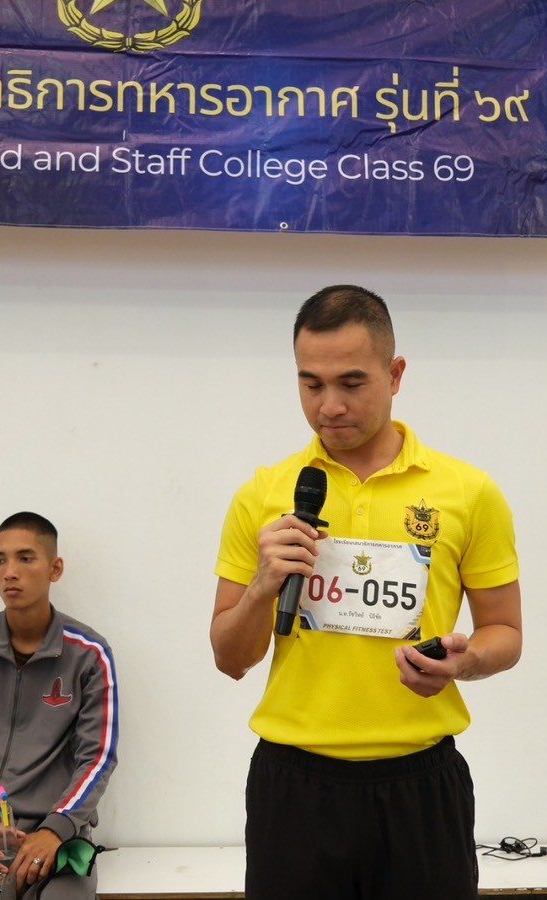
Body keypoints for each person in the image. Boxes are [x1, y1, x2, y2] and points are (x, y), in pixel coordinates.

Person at [210, 285, 522, 900]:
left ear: (395, 374)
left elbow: (505, 632)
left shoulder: (469, 492)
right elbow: (229, 657)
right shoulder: (264, 494)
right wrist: (262, 588)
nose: (329, 406)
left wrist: (464, 662)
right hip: (294, 785)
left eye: (352, 383)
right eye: (311, 384)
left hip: (420, 785)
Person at [0, 512, 119, 900]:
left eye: (25, 558)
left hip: (59, 828)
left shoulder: (89, 653)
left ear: (55, 569)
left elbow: (97, 758)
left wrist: (57, 827)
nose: (9, 572)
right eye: (0, 560)